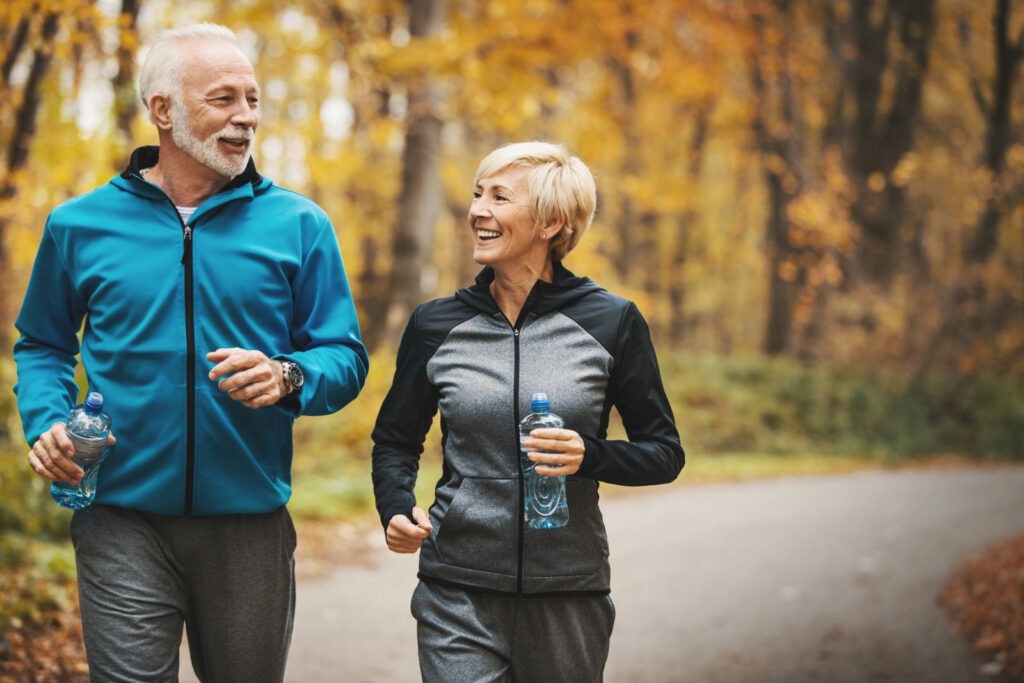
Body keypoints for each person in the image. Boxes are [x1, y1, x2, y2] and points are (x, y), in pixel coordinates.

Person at [13, 23, 368, 682]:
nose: (246, 118)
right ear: (163, 111)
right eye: (224, 99)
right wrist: (46, 421)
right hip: (118, 515)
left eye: (253, 100)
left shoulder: (299, 225)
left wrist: (289, 374)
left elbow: (344, 356)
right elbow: (42, 343)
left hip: (248, 524)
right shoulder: (79, 225)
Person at [371, 141, 684, 681]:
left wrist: (591, 455)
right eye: (476, 194)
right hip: (457, 589)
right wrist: (396, 507)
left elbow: (664, 454)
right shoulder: (435, 325)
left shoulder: (612, 321)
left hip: (568, 592)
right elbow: (396, 441)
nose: (477, 211)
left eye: (499, 197)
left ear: (551, 222)